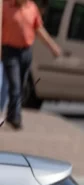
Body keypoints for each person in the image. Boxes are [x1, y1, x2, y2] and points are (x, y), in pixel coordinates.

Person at [1, 0, 61, 130]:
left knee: (21, 86)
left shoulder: (32, 8)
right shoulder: (5, 6)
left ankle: (12, 115)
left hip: (26, 52)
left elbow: (39, 29)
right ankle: (16, 117)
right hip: (10, 51)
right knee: (15, 84)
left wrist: (52, 47)